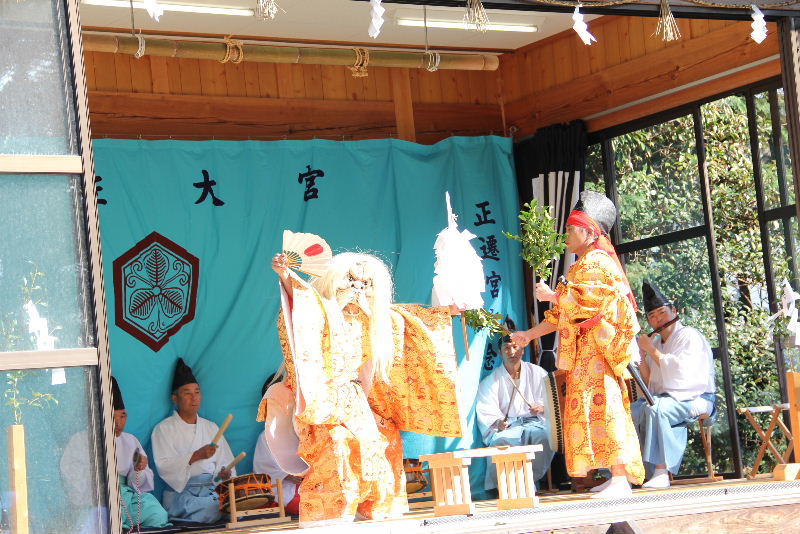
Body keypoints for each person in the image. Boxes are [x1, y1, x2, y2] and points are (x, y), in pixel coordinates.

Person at [265, 251, 462, 527]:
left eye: (365, 284)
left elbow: (411, 320)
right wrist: (286, 276)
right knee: (335, 451)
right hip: (324, 400)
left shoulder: (377, 320)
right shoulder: (322, 312)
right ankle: (327, 520)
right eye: (351, 281)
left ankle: (379, 516)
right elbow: (301, 302)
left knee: (382, 448)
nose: (358, 289)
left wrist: (446, 313)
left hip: (357, 402)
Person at [511, 190, 645, 499]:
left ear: (588, 231)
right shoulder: (581, 265)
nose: (567, 234)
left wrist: (554, 295)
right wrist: (529, 335)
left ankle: (621, 478)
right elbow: (561, 315)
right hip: (587, 353)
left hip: (599, 352)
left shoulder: (597, 261)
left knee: (606, 410)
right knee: (591, 412)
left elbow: (588, 301)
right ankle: (614, 475)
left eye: (572, 229)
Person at [631, 280, 716, 489]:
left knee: (655, 409)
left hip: (696, 398)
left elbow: (681, 373)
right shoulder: (657, 342)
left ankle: (661, 470)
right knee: (630, 413)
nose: (658, 319)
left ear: (674, 311)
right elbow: (650, 382)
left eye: (661, 313)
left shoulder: (690, 336)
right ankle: (631, 473)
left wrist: (650, 350)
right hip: (666, 399)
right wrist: (642, 354)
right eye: (652, 316)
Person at [151, 358, 235, 524]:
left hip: (213, 489)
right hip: (183, 493)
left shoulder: (211, 427)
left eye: (197, 392)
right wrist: (196, 455)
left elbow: (225, 465)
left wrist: (224, 474)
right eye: (187, 393)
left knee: (237, 503)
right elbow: (165, 466)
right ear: (175, 399)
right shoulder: (163, 429)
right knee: (211, 508)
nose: (194, 398)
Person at [476, 318, 554, 491]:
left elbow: (552, 401)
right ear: (500, 352)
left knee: (544, 438)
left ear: (522, 348)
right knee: (503, 441)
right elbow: (487, 410)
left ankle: (527, 481)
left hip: (535, 423)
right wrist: (498, 422)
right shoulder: (491, 381)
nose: (512, 352)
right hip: (509, 426)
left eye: (515, 347)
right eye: (506, 348)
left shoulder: (538, 373)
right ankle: (513, 486)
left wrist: (542, 408)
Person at [111, 376, 170, 530]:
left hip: (127, 497)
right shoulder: (83, 440)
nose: (119, 423)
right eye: (113, 417)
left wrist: (139, 469)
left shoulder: (130, 440)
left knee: (157, 514)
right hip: (101, 498)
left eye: (122, 416)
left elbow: (138, 485)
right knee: (108, 519)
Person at [253, 374, 302, 516]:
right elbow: (263, 470)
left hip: (305, 483)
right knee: (311, 503)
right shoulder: (265, 437)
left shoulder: (300, 429)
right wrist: (286, 474)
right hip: (284, 488)